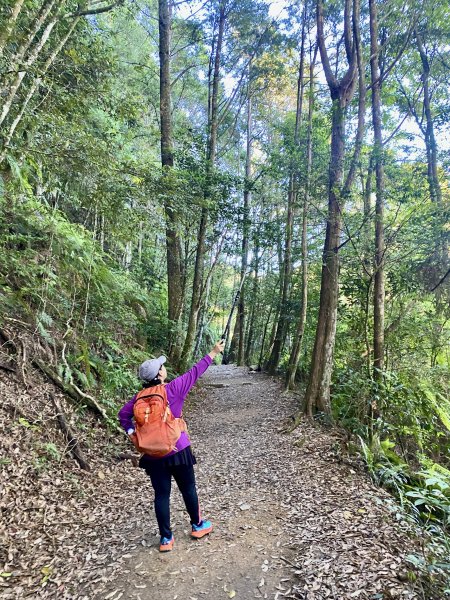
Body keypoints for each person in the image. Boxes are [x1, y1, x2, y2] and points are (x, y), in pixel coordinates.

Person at [118, 340, 225, 552]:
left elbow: (123, 416)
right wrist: (213, 352)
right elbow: (195, 372)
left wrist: (134, 435)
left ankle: (166, 539)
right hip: (178, 449)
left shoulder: (138, 398)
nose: (164, 368)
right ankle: (197, 525)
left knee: (161, 494)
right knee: (188, 488)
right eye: (161, 366)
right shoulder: (173, 389)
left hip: (152, 455)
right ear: (159, 375)